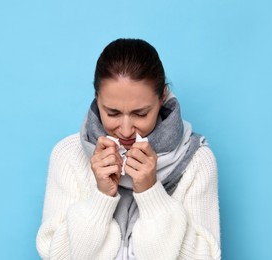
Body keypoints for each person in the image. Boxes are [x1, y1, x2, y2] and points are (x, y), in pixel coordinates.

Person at [36, 38, 221, 260]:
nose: (125, 131)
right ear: (97, 99)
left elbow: (205, 257)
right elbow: (55, 255)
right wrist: (101, 197)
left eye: (140, 114)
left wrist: (150, 192)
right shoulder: (68, 155)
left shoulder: (196, 161)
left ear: (162, 97)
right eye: (112, 113)